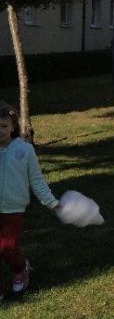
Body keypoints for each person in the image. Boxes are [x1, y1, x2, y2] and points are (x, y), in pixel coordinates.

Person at [0, 102, 59, 295]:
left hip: (13, 209)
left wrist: (52, 203)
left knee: (7, 247)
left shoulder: (25, 150)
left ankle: (20, 268)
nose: (0, 131)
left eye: (4, 126)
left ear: (13, 126)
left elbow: (37, 180)